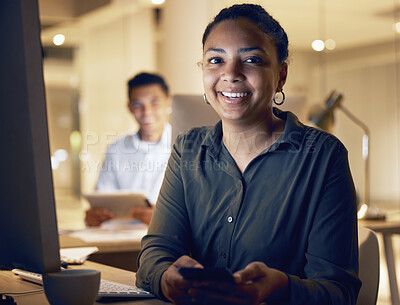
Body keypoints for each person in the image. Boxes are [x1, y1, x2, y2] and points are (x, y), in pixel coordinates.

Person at [136, 4, 361, 305]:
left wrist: (281, 287)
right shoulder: (186, 150)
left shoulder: (323, 157)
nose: (230, 74)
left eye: (252, 60)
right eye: (216, 60)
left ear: (280, 75)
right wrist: (166, 278)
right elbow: (155, 253)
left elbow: (338, 291)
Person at [86, 72, 172, 226]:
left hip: (170, 242)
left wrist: (164, 220)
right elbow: (102, 201)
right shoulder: (116, 150)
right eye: (138, 104)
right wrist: (95, 217)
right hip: (121, 240)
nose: (146, 112)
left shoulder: (187, 146)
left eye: (154, 103)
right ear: (129, 108)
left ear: (169, 103)